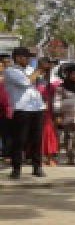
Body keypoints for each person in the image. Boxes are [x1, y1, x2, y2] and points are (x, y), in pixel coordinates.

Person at [5, 47, 46, 178]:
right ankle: (16, 169)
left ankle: (37, 166)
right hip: (21, 108)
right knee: (20, 140)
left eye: (29, 57)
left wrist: (43, 71)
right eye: (25, 57)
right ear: (17, 57)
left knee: (37, 139)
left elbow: (41, 82)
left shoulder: (30, 70)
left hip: (37, 107)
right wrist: (38, 71)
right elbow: (25, 82)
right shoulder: (10, 71)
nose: (28, 59)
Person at [35, 58, 60, 165]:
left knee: (49, 132)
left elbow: (58, 97)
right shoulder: (35, 78)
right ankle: (38, 157)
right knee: (37, 133)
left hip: (51, 110)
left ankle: (50, 157)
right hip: (36, 109)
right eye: (41, 64)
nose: (45, 66)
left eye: (47, 64)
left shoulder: (56, 80)